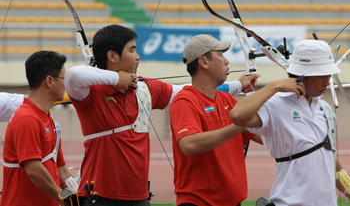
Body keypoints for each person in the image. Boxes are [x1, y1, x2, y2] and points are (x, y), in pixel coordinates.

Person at [64, 24, 258, 206]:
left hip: (139, 195)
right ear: (112, 56)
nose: (138, 56)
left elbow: (194, 88)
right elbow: (72, 75)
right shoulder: (91, 91)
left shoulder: (144, 88)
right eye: (132, 50)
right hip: (101, 193)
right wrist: (116, 78)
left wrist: (239, 85)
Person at [230, 39, 350, 206]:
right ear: (301, 76)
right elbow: (237, 115)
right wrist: (274, 86)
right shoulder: (275, 102)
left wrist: (348, 189)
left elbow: (327, 156)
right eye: (322, 75)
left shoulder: (324, 107)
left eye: (329, 75)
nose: (327, 81)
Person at [169, 34, 262, 206]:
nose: (226, 61)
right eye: (220, 55)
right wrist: (237, 127)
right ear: (203, 62)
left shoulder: (227, 99)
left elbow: (264, 136)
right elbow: (189, 144)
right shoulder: (185, 100)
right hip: (198, 202)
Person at [1, 51, 77, 206]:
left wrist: (77, 194)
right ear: (49, 81)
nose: (66, 85)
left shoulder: (48, 119)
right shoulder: (27, 118)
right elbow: (34, 170)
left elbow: (61, 169)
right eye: (64, 79)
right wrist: (64, 199)